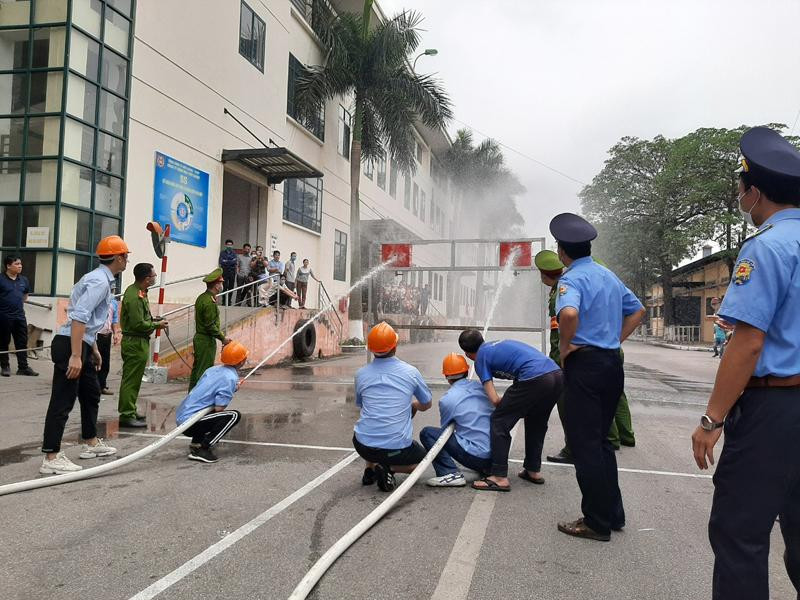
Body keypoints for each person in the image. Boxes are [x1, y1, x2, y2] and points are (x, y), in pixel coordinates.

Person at [690, 127, 800, 600]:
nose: (740, 195)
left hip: (773, 409)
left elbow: (748, 342)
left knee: (740, 533)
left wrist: (711, 418)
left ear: (754, 192)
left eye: (741, 187)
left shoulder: (767, 246)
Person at [550, 212, 645, 541]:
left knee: (584, 445)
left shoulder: (570, 279)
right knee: (602, 442)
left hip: (585, 368)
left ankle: (595, 521)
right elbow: (638, 310)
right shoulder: (608, 275)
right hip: (610, 366)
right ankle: (612, 513)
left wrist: (565, 346)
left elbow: (570, 313)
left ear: (562, 251)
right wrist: (614, 339)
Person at [40, 235, 129, 474]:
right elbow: (79, 317)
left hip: (82, 342)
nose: (127, 261)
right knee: (63, 400)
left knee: (91, 393)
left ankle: (90, 442)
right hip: (70, 344)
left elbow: (88, 321)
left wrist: (93, 349)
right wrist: (77, 356)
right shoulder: (100, 282)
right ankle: (51, 457)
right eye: (126, 256)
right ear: (119, 258)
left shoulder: (98, 278)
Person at [458, 330, 562, 492]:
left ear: (467, 353)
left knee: (499, 422)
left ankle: (499, 477)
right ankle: (532, 470)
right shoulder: (496, 345)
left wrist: (508, 407)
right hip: (557, 375)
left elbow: (494, 399)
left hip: (534, 377)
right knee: (536, 421)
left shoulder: (480, 359)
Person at [353, 322, 432, 492]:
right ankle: (389, 469)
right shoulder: (410, 372)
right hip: (396, 448)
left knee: (370, 424)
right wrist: (415, 406)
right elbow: (427, 404)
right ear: (395, 346)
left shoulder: (361, 374)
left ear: (371, 349)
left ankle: (370, 469)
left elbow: (362, 405)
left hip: (362, 445)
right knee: (422, 461)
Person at [419, 353, 493, 487]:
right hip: (496, 456)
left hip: (477, 457)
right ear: (467, 370)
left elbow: (445, 432)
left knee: (428, 433)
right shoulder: (481, 387)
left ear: (446, 376)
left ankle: (449, 472)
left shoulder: (447, 400)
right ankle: (483, 468)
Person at [175, 341, 247, 463]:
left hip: (182, 417)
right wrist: (232, 389)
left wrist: (232, 388)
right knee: (234, 416)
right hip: (190, 423)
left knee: (208, 408)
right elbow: (219, 408)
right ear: (241, 361)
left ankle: (197, 443)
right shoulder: (230, 378)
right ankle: (203, 449)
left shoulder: (212, 370)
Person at [119, 263, 168, 427]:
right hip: (134, 341)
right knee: (130, 380)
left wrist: (154, 321)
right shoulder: (134, 296)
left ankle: (130, 410)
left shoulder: (140, 292)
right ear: (147, 279)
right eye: (153, 275)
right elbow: (138, 324)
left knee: (134, 380)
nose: (155, 278)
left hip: (139, 341)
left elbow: (142, 319)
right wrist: (157, 326)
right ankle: (126, 414)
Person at [189, 268, 231, 391]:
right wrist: (223, 338)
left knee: (197, 369)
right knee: (203, 371)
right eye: (221, 283)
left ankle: (192, 396)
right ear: (216, 285)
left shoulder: (202, 297)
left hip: (201, 338)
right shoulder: (209, 301)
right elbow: (210, 325)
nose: (222, 285)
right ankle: (197, 399)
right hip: (206, 340)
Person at [0, 255, 38, 377]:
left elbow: (25, 297)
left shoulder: (24, 280)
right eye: (17, 264)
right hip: (3, 316)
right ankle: (5, 366)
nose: (20, 266)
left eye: (20, 264)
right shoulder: (1, 279)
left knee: (22, 341)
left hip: (19, 316)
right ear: (8, 266)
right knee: (3, 342)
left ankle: (23, 367)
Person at [96, 293, 120, 395]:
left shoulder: (114, 302)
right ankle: (92, 386)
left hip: (107, 335)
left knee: (105, 362)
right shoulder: (97, 299)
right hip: (96, 334)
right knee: (95, 361)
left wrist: (115, 333)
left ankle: (102, 386)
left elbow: (114, 319)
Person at [218, 239, 238, 307]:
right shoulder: (222, 253)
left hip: (232, 272)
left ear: (232, 245)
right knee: (224, 287)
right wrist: (230, 261)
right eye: (228, 244)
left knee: (231, 287)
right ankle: (224, 301)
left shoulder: (234, 253)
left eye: (230, 245)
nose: (229, 246)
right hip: (224, 272)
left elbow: (234, 262)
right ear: (225, 245)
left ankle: (229, 301)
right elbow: (221, 261)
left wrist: (226, 261)